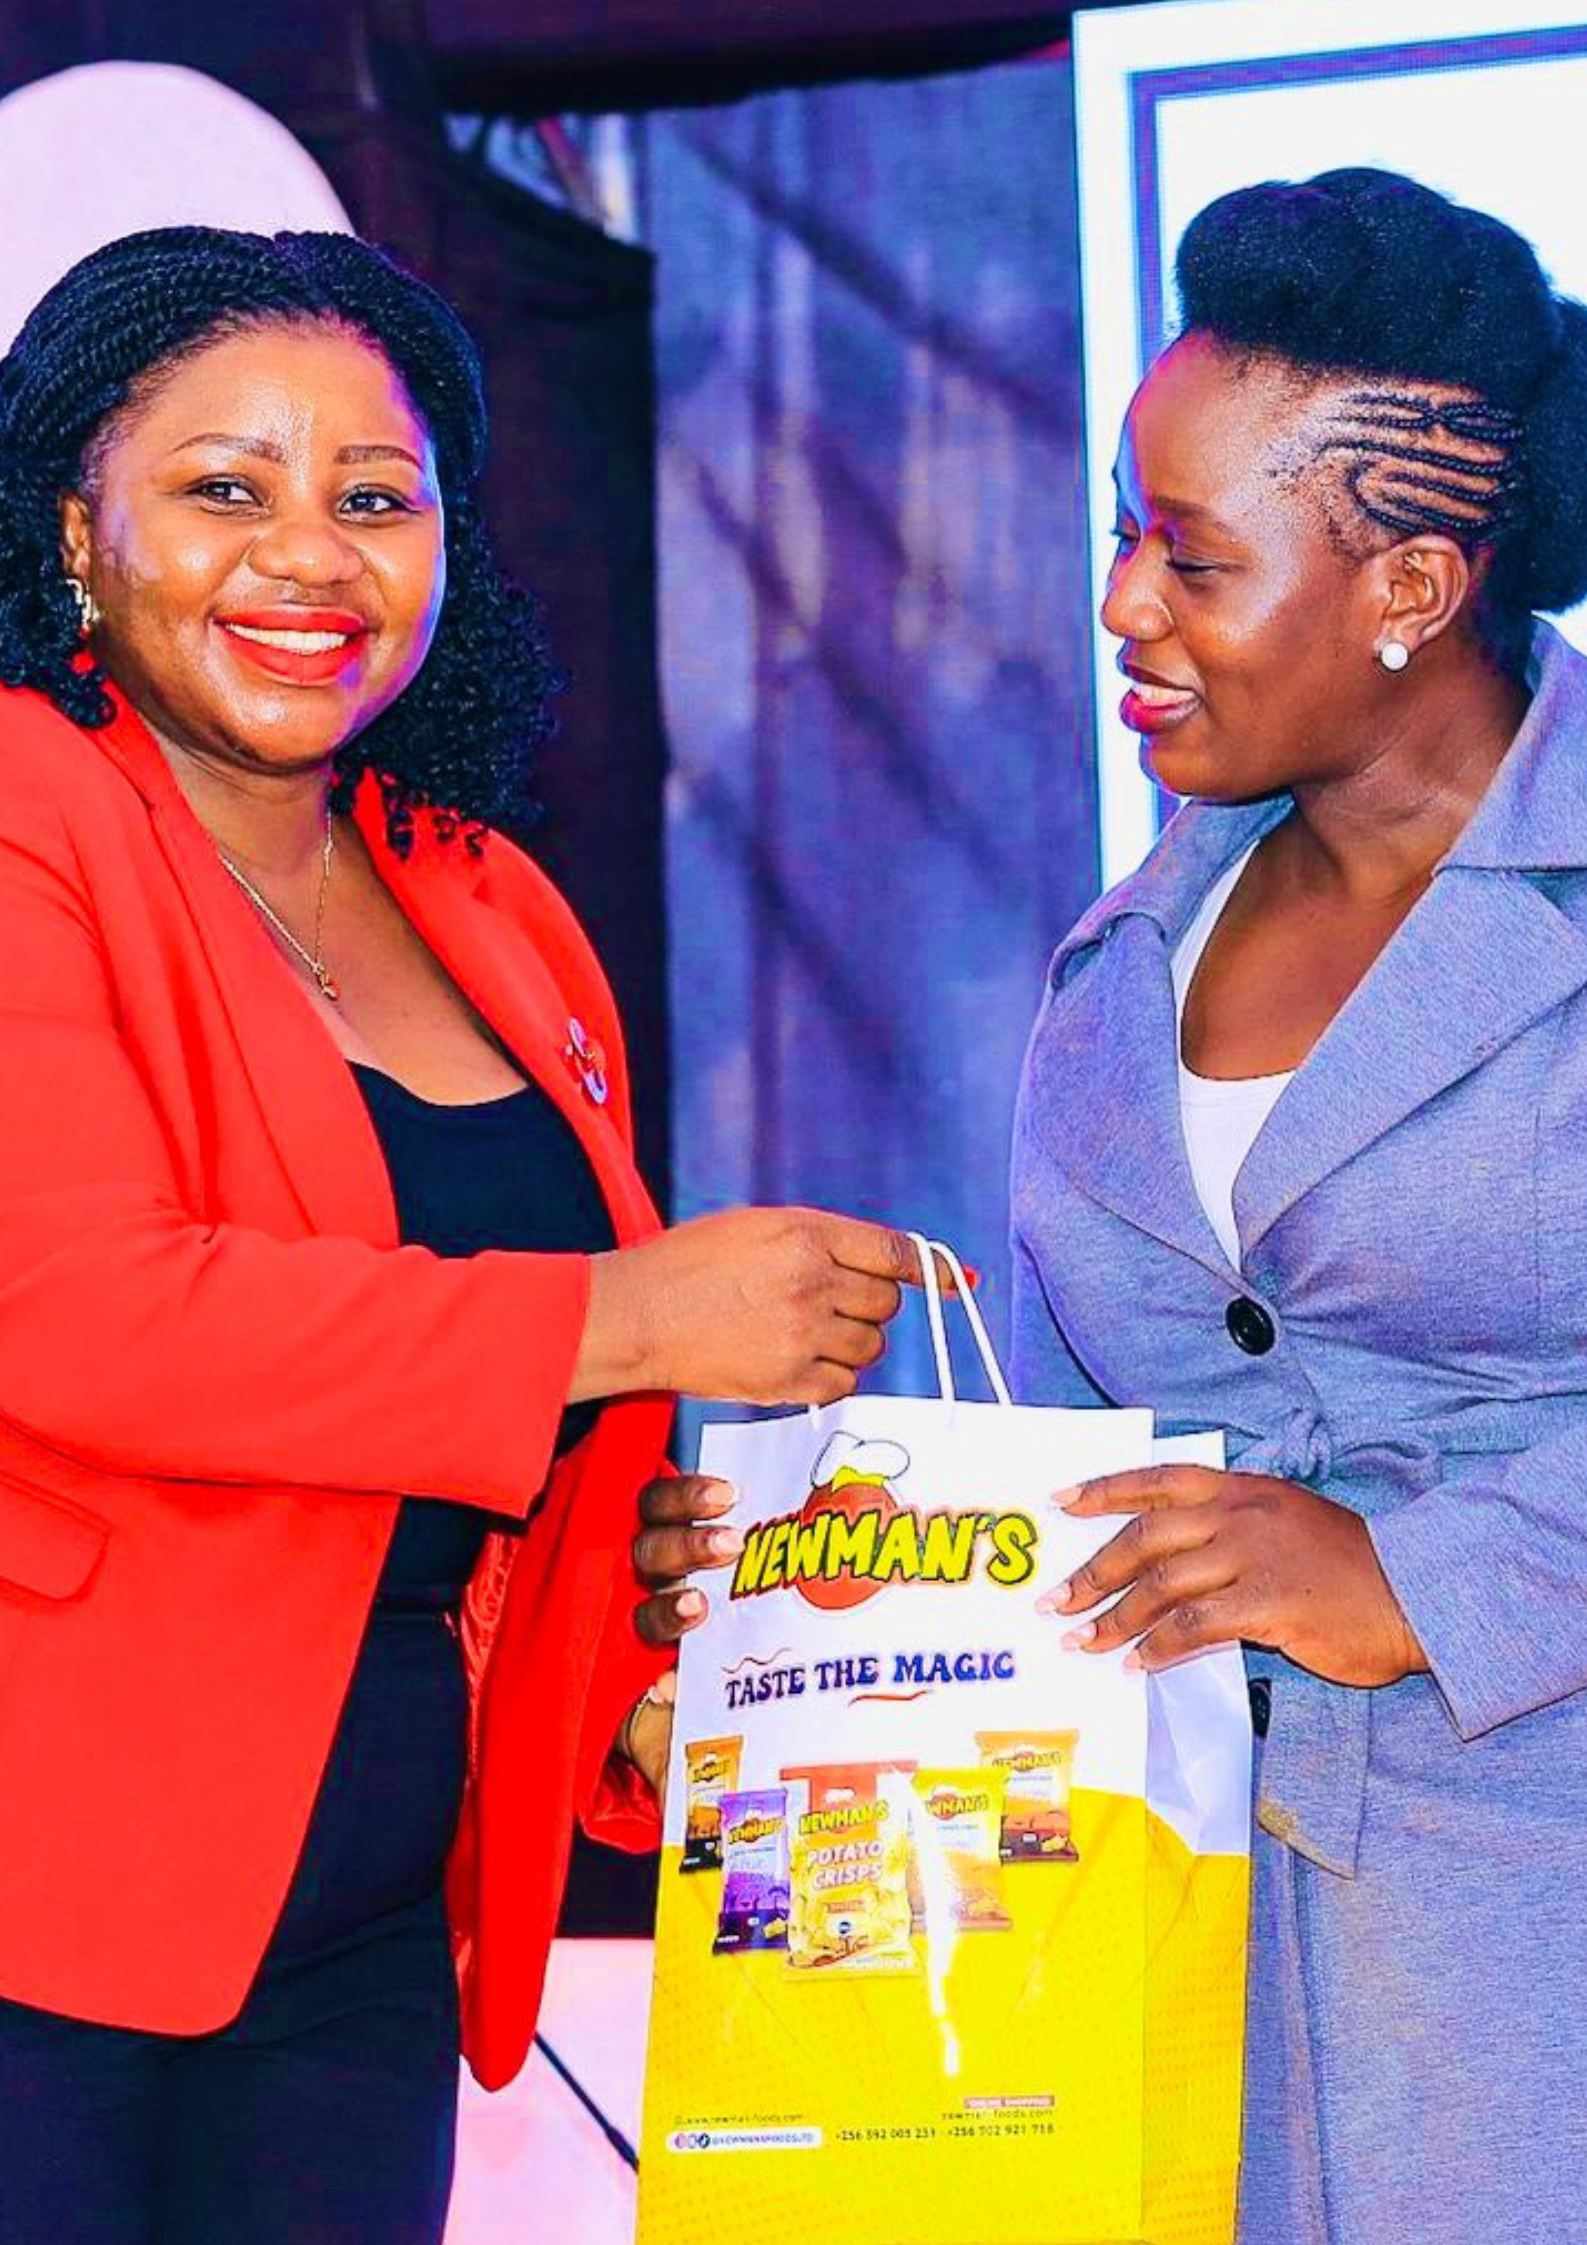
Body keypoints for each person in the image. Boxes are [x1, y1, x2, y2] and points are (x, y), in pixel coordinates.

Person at [646, 169, 1587, 2243]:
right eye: (1117, 531)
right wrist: (832, 1577)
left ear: (1410, 585)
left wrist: (1415, 1573)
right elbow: (1104, 1462)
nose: (1117, 610)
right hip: (1159, 1959)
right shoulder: (1122, 957)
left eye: (1189, 557)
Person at [0, 224, 926, 2245]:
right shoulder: (21, 812)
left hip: (362, 1924)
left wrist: (654, 1597)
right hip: (41, 1911)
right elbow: (76, 1311)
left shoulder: (482, 894)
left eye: (375, 497)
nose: (308, 555)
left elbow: (494, 1433)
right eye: (221, 488)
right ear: (78, 533)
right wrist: (618, 1318)